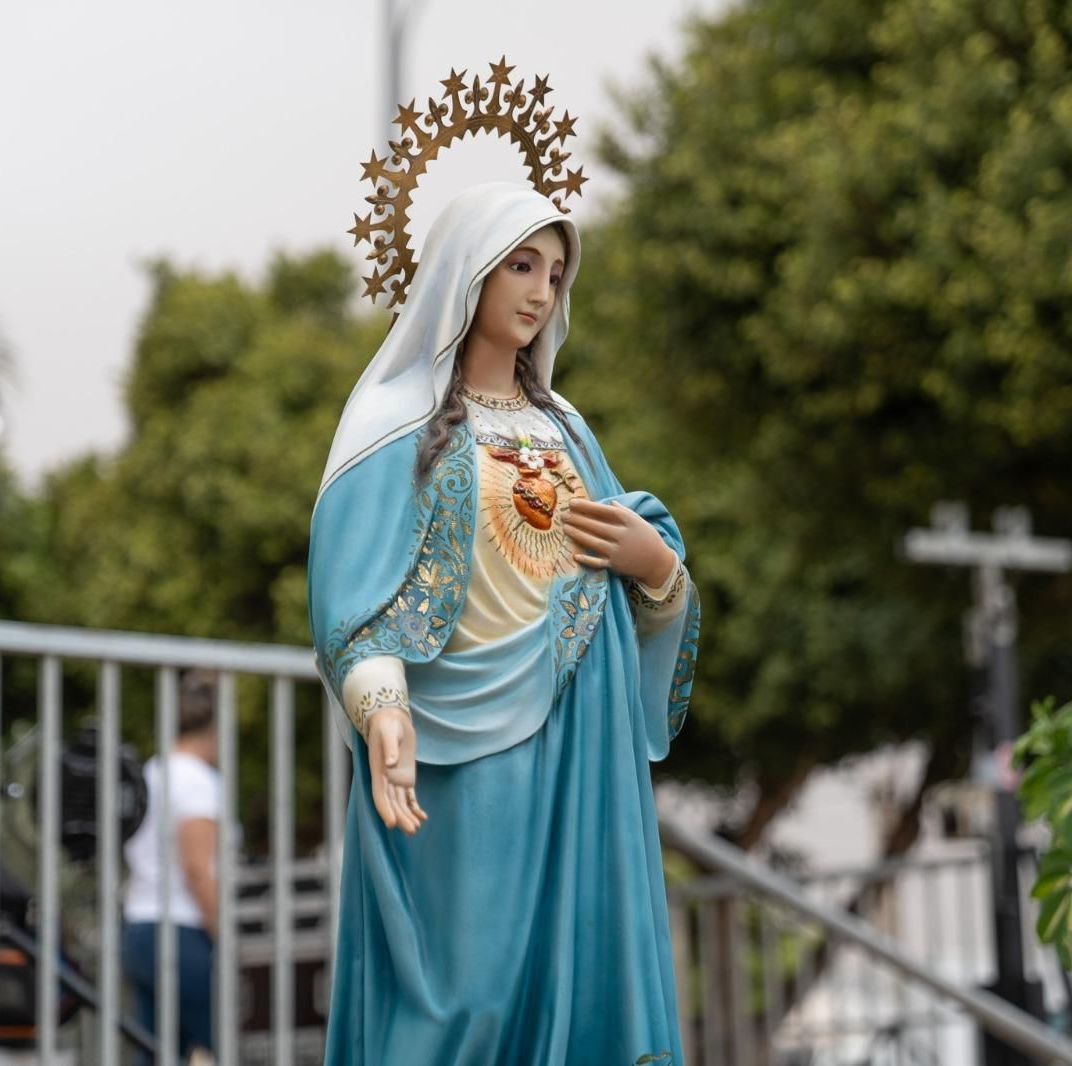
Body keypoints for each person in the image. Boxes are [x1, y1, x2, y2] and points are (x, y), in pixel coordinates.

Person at [309, 181, 701, 1064]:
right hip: (460, 753)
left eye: (555, 274)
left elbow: (632, 588)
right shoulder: (391, 426)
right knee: (467, 996)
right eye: (521, 265)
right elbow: (354, 604)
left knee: (587, 969)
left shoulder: (568, 431)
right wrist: (384, 709)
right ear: (468, 267)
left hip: (582, 743)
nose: (539, 292)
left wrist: (656, 567)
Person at [121, 668, 223, 1064]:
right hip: (183, 932)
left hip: (140, 926)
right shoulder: (196, 781)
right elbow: (197, 868)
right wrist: (224, 934)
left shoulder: (151, 772)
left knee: (155, 1051)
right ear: (214, 727)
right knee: (227, 1041)